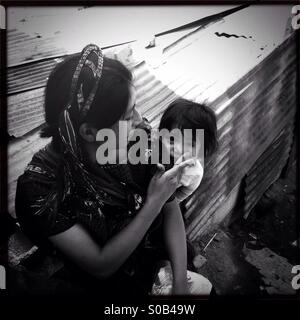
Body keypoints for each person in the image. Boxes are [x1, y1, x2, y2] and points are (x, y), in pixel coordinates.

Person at [15, 44, 198, 297]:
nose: (140, 120)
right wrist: (152, 204)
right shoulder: (41, 188)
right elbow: (101, 266)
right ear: (89, 131)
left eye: (136, 106)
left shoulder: (139, 141)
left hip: (153, 261)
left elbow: (170, 207)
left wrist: (179, 283)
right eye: (127, 116)